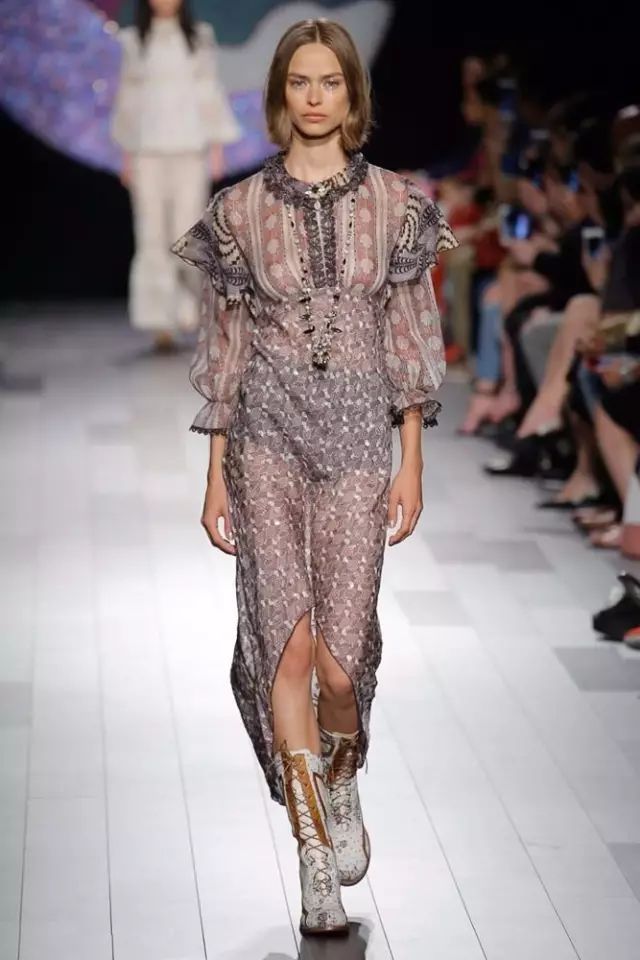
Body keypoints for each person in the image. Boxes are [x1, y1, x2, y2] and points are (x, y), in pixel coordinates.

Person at [171, 18, 458, 937]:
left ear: (352, 95)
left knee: (340, 664)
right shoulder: (238, 213)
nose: (315, 97)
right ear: (280, 95)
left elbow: (411, 334)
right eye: (300, 81)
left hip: (359, 443)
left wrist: (412, 458)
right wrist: (215, 472)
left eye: (330, 81)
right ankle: (312, 858)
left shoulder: (398, 206)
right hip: (264, 436)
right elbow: (226, 347)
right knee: (285, 650)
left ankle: (341, 776)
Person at [111, 0, 241, 351]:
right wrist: (126, 153)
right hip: (147, 151)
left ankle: (190, 312)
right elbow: (128, 98)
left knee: (187, 232)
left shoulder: (199, 37)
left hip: (190, 149)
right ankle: (159, 321)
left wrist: (217, 146)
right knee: (151, 234)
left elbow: (209, 89)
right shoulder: (133, 41)